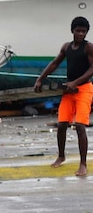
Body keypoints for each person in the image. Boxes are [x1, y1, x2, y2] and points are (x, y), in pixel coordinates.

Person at [34, 16, 93, 177]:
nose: (81, 34)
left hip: (84, 89)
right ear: (72, 31)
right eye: (78, 31)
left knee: (80, 126)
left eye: (84, 31)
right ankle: (61, 156)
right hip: (68, 91)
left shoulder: (89, 48)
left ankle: (83, 164)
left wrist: (76, 82)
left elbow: (92, 69)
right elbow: (54, 63)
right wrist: (40, 79)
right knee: (62, 125)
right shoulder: (66, 47)